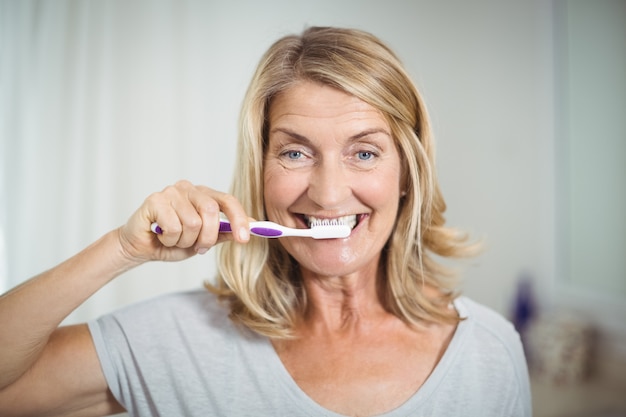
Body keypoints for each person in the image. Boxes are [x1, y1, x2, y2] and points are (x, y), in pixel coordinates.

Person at [0, 27, 531, 417]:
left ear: (407, 174)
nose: (326, 194)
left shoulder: (487, 352)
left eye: (364, 154)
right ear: (260, 172)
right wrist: (121, 247)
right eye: (295, 154)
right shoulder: (176, 342)